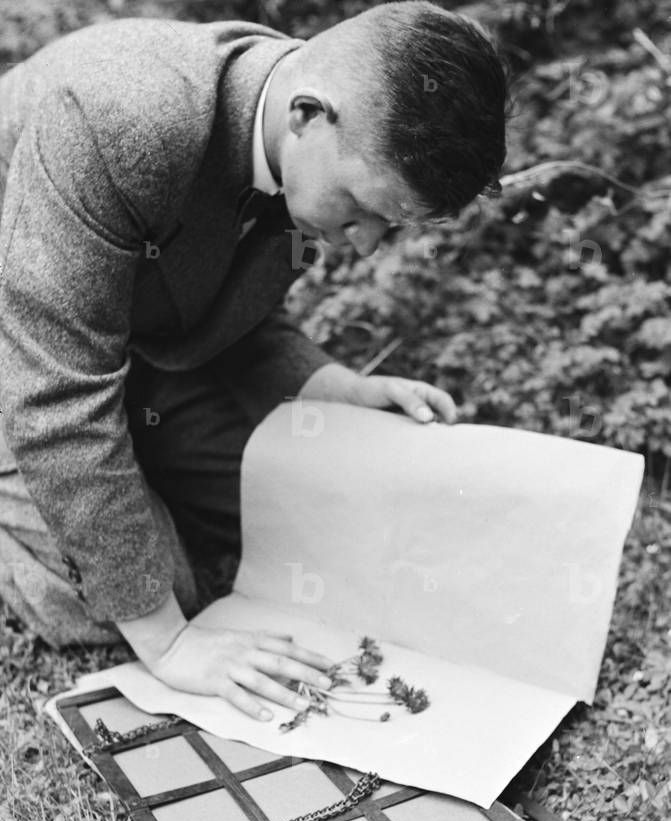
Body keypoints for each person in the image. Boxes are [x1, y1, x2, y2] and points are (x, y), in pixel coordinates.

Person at [0, 1, 507, 719]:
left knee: (299, 509)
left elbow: (233, 316)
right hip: (21, 348)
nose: (362, 246)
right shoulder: (123, 115)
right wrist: (170, 644)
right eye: (364, 210)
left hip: (121, 346)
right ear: (307, 115)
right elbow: (53, 389)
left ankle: (134, 461)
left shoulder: (295, 140)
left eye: (388, 225)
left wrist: (334, 385)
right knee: (143, 597)